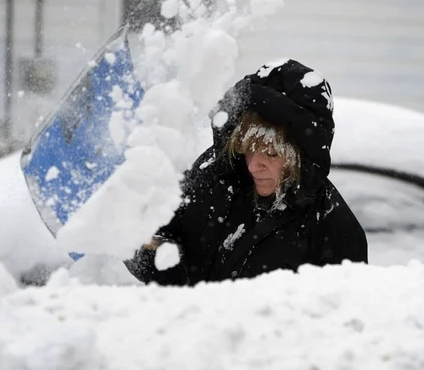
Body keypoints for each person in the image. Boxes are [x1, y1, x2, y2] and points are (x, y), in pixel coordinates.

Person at [126, 59, 368, 285]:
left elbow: (342, 320)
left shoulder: (334, 228)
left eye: (271, 154)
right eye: (247, 149)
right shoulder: (214, 175)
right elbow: (170, 265)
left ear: (302, 157)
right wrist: (145, 244)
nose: (253, 166)